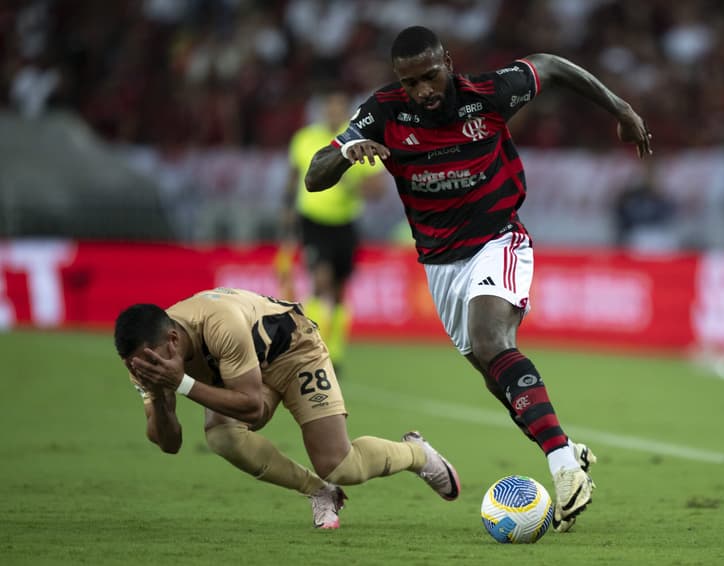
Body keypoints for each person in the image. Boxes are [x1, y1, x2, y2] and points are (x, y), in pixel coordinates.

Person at [304, 25, 652, 533]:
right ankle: (569, 452)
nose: (423, 90)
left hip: (498, 239)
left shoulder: (488, 94)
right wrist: (345, 153)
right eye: (411, 82)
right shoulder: (382, 113)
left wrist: (621, 109)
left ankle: (561, 467)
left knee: (492, 339)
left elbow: (550, 65)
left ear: (448, 61)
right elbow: (315, 175)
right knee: (496, 376)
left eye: (430, 75)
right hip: (441, 265)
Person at [113, 287, 459, 529]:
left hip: (294, 350)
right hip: (242, 367)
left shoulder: (218, 324)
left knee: (339, 465)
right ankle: (318, 492)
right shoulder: (148, 363)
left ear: (173, 340)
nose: (145, 369)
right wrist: (158, 395)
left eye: (151, 362)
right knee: (222, 436)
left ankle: (416, 453)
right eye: (136, 366)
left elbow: (251, 408)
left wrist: (181, 384)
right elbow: (169, 444)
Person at [279, 89, 387, 373]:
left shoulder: (357, 140)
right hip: (313, 221)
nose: (334, 112)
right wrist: (287, 210)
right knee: (320, 282)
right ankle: (316, 349)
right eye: (330, 106)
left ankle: (335, 353)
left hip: (345, 223)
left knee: (339, 291)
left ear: (347, 111)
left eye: (340, 107)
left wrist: (354, 186)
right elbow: (293, 178)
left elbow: (378, 188)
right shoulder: (304, 139)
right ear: (323, 109)